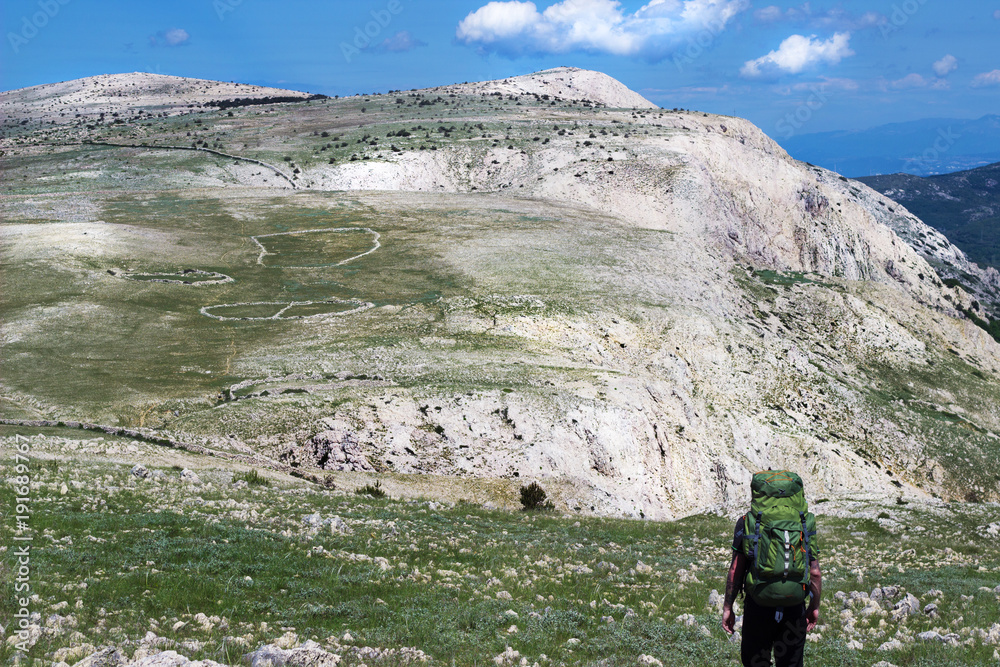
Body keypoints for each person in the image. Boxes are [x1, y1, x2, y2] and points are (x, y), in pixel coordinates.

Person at [722, 488, 822, 667]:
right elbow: (815, 572)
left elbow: (735, 570)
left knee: (756, 662)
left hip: (758, 607)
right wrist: (814, 607)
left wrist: (728, 607)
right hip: (794, 607)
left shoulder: (747, 521)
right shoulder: (804, 522)